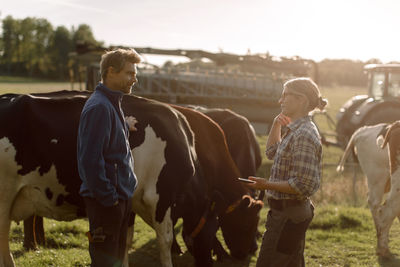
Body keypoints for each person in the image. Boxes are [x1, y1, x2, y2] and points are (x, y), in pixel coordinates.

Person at [246, 77, 327, 267]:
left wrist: (265, 185)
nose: (280, 101)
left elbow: (302, 184)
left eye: (285, 95)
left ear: (301, 100)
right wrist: (276, 125)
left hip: (288, 216)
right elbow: (271, 152)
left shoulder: (304, 134)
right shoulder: (294, 130)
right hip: (286, 214)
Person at [77, 48, 141, 266]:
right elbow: (89, 162)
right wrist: (109, 199)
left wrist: (125, 124)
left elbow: (106, 136)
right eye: (129, 73)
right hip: (107, 203)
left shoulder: (111, 103)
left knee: (115, 259)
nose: (135, 78)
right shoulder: (99, 108)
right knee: (105, 261)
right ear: (111, 72)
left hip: (118, 197)